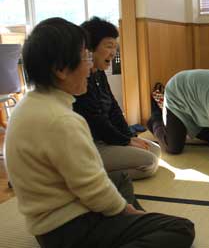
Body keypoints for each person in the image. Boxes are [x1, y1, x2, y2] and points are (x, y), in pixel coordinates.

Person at [5, 18, 195, 248]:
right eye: (85, 57)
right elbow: (91, 187)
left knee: (120, 179)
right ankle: (136, 226)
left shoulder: (28, 106)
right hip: (70, 227)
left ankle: (136, 226)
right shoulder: (62, 120)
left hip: (49, 223)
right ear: (60, 69)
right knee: (180, 228)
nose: (89, 66)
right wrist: (126, 211)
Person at [74, 17, 160, 180]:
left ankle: (94, 174)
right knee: (148, 163)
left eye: (115, 47)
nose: (114, 52)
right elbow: (95, 119)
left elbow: (113, 109)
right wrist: (125, 142)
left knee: (154, 150)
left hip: (106, 141)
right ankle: (85, 178)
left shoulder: (99, 73)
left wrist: (129, 137)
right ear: (90, 47)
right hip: (90, 145)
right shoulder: (80, 78)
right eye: (109, 46)